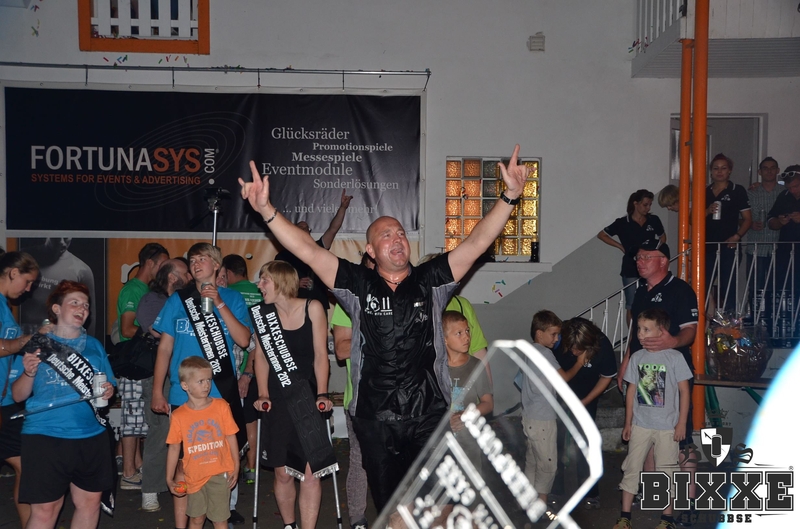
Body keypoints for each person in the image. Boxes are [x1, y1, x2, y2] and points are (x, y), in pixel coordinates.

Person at [240, 143, 530, 510]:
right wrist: (266, 210)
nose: (397, 239)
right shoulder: (356, 283)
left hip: (428, 412)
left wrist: (509, 196)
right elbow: (308, 251)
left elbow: (476, 242)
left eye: (401, 233)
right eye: (386, 235)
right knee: (391, 505)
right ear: (371, 251)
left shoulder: (431, 280)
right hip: (374, 417)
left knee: (435, 504)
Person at [151, 243, 252, 529]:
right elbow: (164, 348)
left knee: (219, 459)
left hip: (219, 392)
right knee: (184, 463)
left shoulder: (232, 298)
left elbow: (244, 340)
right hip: (182, 394)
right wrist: (157, 390)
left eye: (203, 259)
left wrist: (218, 302)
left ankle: (220, 516)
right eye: (192, 260)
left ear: (217, 265)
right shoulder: (178, 300)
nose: (196, 264)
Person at [12, 280, 116, 529]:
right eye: (75, 303)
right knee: (46, 510)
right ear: (56, 309)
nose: (82, 308)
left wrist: (109, 390)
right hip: (46, 436)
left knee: (89, 504)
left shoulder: (94, 345)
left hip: (91, 436)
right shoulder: (37, 344)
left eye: (86, 305)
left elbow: (108, 386)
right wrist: (28, 373)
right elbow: (17, 396)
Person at [251, 260, 335, 529]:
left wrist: (322, 393)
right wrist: (263, 394)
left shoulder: (313, 307)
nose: (259, 285)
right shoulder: (262, 314)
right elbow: (261, 357)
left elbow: (321, 355)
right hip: (277, 399)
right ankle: (290, 525)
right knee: (283, 473)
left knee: (310, 473)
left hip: (307, 397)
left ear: (281, 281)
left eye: (264, 280)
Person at [618, 239, 699, 510]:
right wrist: (626, 361)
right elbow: (635, 335)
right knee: (649, 433)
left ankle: (688, 499)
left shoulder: (681, 290)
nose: (639, 262)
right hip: (645, 372)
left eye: (646, 257)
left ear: (663, 260)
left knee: (680, 437)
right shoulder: (640, 292)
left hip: (673, 373)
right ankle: (656, 495)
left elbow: (690, 331)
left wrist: (672, 341)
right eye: (638, 258)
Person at [614, 309, 692, 529]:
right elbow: (631, 391)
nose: (640, 333)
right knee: (632, 467)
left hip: (667, 427)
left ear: (661, 331)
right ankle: (625, 517)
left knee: (667, 470)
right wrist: (628, 422)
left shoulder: (675, 357)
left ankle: (667, 519)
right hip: (641, 424)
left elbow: (684, 391)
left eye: (646, 329)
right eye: (639, 329)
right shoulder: (637, 357)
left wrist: (681, 423)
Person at [137, 257, 191, 513]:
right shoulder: (153, 300)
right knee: (161, 434)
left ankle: (182, 482)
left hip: (181, 375)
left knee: (185, 435)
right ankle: (150, 489)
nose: (190, 277)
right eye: (185, 273)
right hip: (158, 377)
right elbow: (158, 332)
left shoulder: (185, 301)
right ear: (172, 277)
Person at [117, 242, 169, 491]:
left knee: (140, 418)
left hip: (145, 362)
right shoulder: (133, 290)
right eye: (163, 264)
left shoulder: (147, 290)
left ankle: (136, 467)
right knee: (132, 417)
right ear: (150, 263)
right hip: (134, 362)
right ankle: (128, 473)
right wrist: (157, 331)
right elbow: (127, 329)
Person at [166, 356, 239, 529]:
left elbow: (231, 436)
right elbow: (174, 448)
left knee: (220, 519)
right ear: (185, 386)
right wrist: (169, 478)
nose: (206, 385)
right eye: (200, 381)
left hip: (219, 472)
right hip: (194, 475)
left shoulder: (221, 406)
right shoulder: (179, 416)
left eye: (208, 380)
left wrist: (236, 466)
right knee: (196, 518)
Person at [552, 317, 617, 508]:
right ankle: (556, 488)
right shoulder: (559, 340)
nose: (573, 352)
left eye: (578, 350)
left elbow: (606, 378)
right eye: (571, 348)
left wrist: (585, 402)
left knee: (586, 443)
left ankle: (591, 492)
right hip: (559, 394)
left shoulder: (603, 346)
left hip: (587, 395)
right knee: (556, 441)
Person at [522, 310, 582, 513]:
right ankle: (541, 506)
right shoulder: (545, 353)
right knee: (548, 465)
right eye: (553, 334)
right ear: (539, 333)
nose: (557, 339)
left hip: (529, 416)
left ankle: (529, 503)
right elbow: (563, 378)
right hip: (543, 419)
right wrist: (580, 362)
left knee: (533, 461)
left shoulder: (529, 350)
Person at [331, 253, 374, 529]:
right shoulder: (347, 304)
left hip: (401, 399)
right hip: (362, 399)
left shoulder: (401, 298)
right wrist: (380, 338)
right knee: (360, 460)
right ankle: (357, 519)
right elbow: (341, 349)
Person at [0, 251, 39, 528]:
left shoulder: (5, 306)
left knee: (26, 466)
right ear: (13, 272)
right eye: (27, 282)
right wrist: (24, 341)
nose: (28, 289)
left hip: (6, 402)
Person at [275, 188, 354, 311]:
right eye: (301, 228)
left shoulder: (318, 248)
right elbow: (276, 281)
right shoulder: (283, 256)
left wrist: (343, 208)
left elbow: (333, 229)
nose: (305, 230)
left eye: (307, 228)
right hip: (293, 306)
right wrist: (295, 283)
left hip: (318, 304)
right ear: (294, 232)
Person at [221, 253, 262, 486]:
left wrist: (246, 373)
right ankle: (251, 467)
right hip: (257, 365)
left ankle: (233, 466)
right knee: (250, 416)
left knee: (235, 418)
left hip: (237, 366)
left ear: (227, 273)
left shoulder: (229, 296)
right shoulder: (259, 291)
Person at [598, 189, 665, 323]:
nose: (648, 208)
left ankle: (648, 330)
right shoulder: (623, 222)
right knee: (632, 304)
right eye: (645, 204)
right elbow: (602, 235)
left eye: (650, 205)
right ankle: (633, 333)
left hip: (651, 267)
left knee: (651, 302)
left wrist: (655, 251)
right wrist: (621, 246)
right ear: (636, 203)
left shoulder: (653, 220)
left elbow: (663, 237)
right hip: (630, 267)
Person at [443, 311, 493, 467]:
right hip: (441, 446)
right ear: (444, 339)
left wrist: (465, 415)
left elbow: (488, 403)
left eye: (467, 331)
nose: (466, 337)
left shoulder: (475, 366)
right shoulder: (436, 368)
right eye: (459, 333)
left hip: (468, 444)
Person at [22, 237, 97, 337]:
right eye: (57, 238)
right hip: (23, 335)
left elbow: (91, 316)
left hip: (61, 338)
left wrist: (87, 342)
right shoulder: (25, 256)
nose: (62, 242)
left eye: (66, 238)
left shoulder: (82, 270)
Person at [705, 153, 752, 311]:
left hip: (729, 246)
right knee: (703, 285)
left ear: (729, 171)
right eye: (716, 168)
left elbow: (747, 219)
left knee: (728, 286)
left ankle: (729, 322)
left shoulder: (737, 190)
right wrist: (707, 211)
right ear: (711, 171)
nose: (719, 171)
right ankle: (703, 321)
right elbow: (692, 219)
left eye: (723, 168)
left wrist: (737, 236)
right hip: (707, 246)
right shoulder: (704, 191)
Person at [744, 157, 782, 311]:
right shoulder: (750, 193)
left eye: (772, 168)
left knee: (777, 287)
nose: (769, 171)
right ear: (759, 172)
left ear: (777, 170)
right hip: (756, 247)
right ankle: (755, 317)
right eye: (765, 168)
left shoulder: (785, 192)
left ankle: (774, 318)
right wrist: (750, 224)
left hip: (779, 248)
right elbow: (739, 219)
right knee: (755, 288)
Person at [767, 165, 800, 300]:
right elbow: (770, 221)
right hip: (786, 251)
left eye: (796, 186)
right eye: (789, 187)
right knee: (786, 288)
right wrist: (779, 222)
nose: (793, 190)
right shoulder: (784, 196)